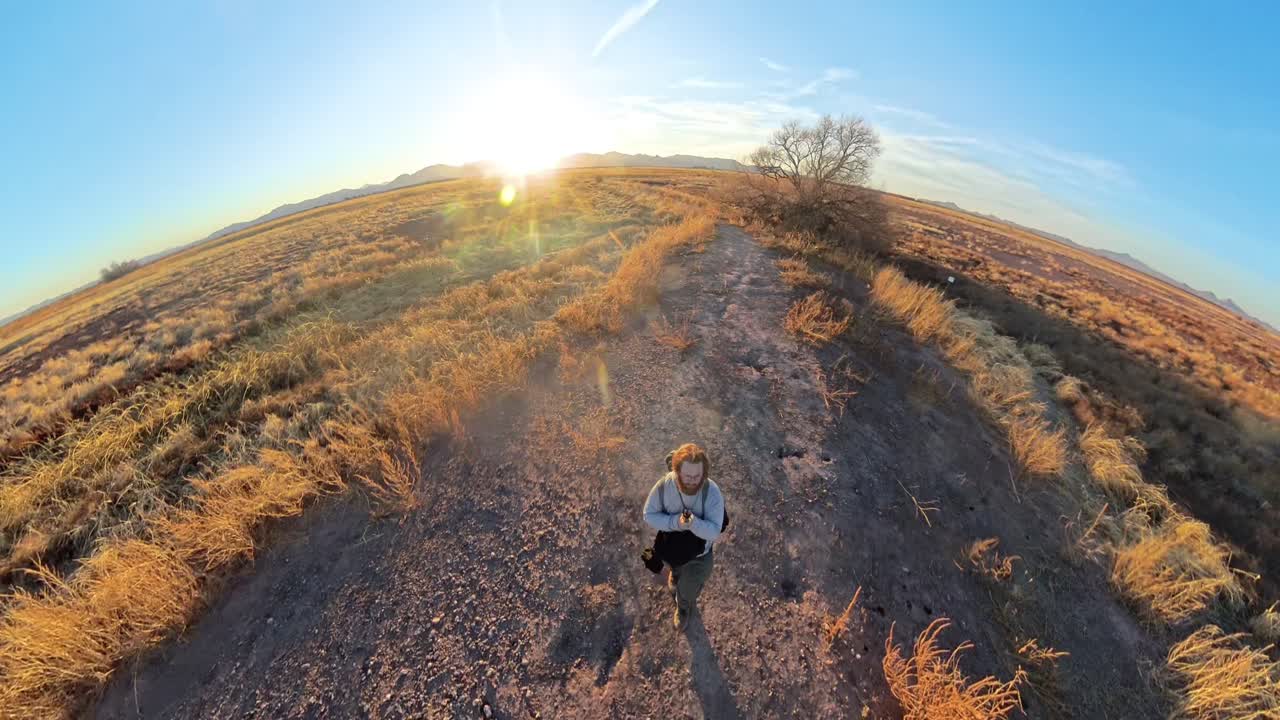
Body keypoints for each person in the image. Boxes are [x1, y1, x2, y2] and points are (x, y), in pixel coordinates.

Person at [643, 443, 725, 630]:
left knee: (688, 589)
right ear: (676, 471)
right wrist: (676, 524)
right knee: (674, 566)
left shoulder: (712, 492)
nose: (692, 481)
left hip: (699, 557)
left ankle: (683, 607)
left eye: (697, 476)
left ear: (704, 473)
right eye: (687, 476)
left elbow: (714, 531)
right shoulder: (665, 485)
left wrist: (693, 523)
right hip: (672, 547)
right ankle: (674, 575)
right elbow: (648, 514)